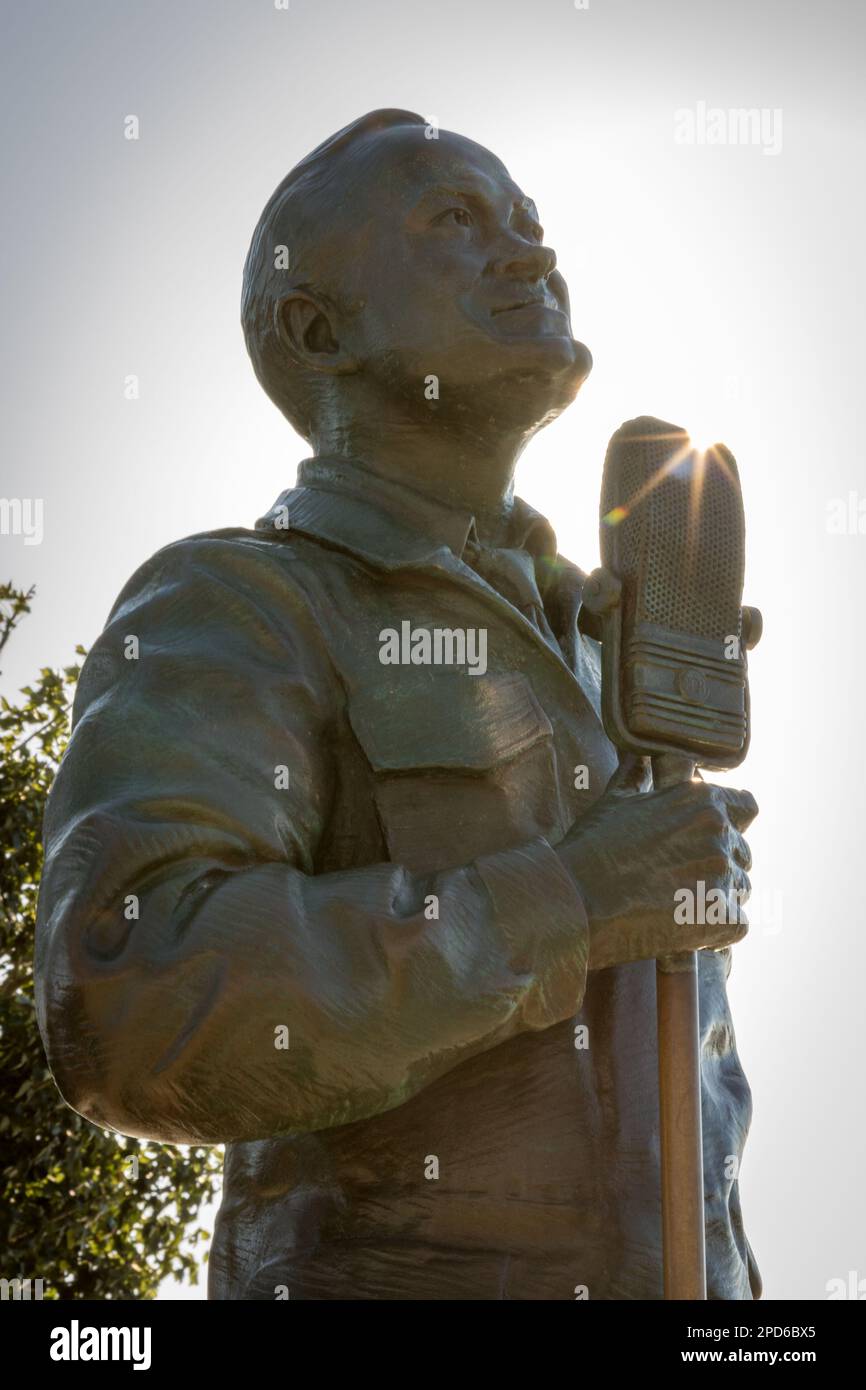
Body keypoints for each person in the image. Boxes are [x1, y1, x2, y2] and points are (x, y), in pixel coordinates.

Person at [35, 109, 760, 1300]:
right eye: (455, 222)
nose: (529, 255)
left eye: (528, 223)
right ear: (318, 327)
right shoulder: (240, 599)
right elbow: (128, 995)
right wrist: (571, 898)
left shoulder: (615, 660)